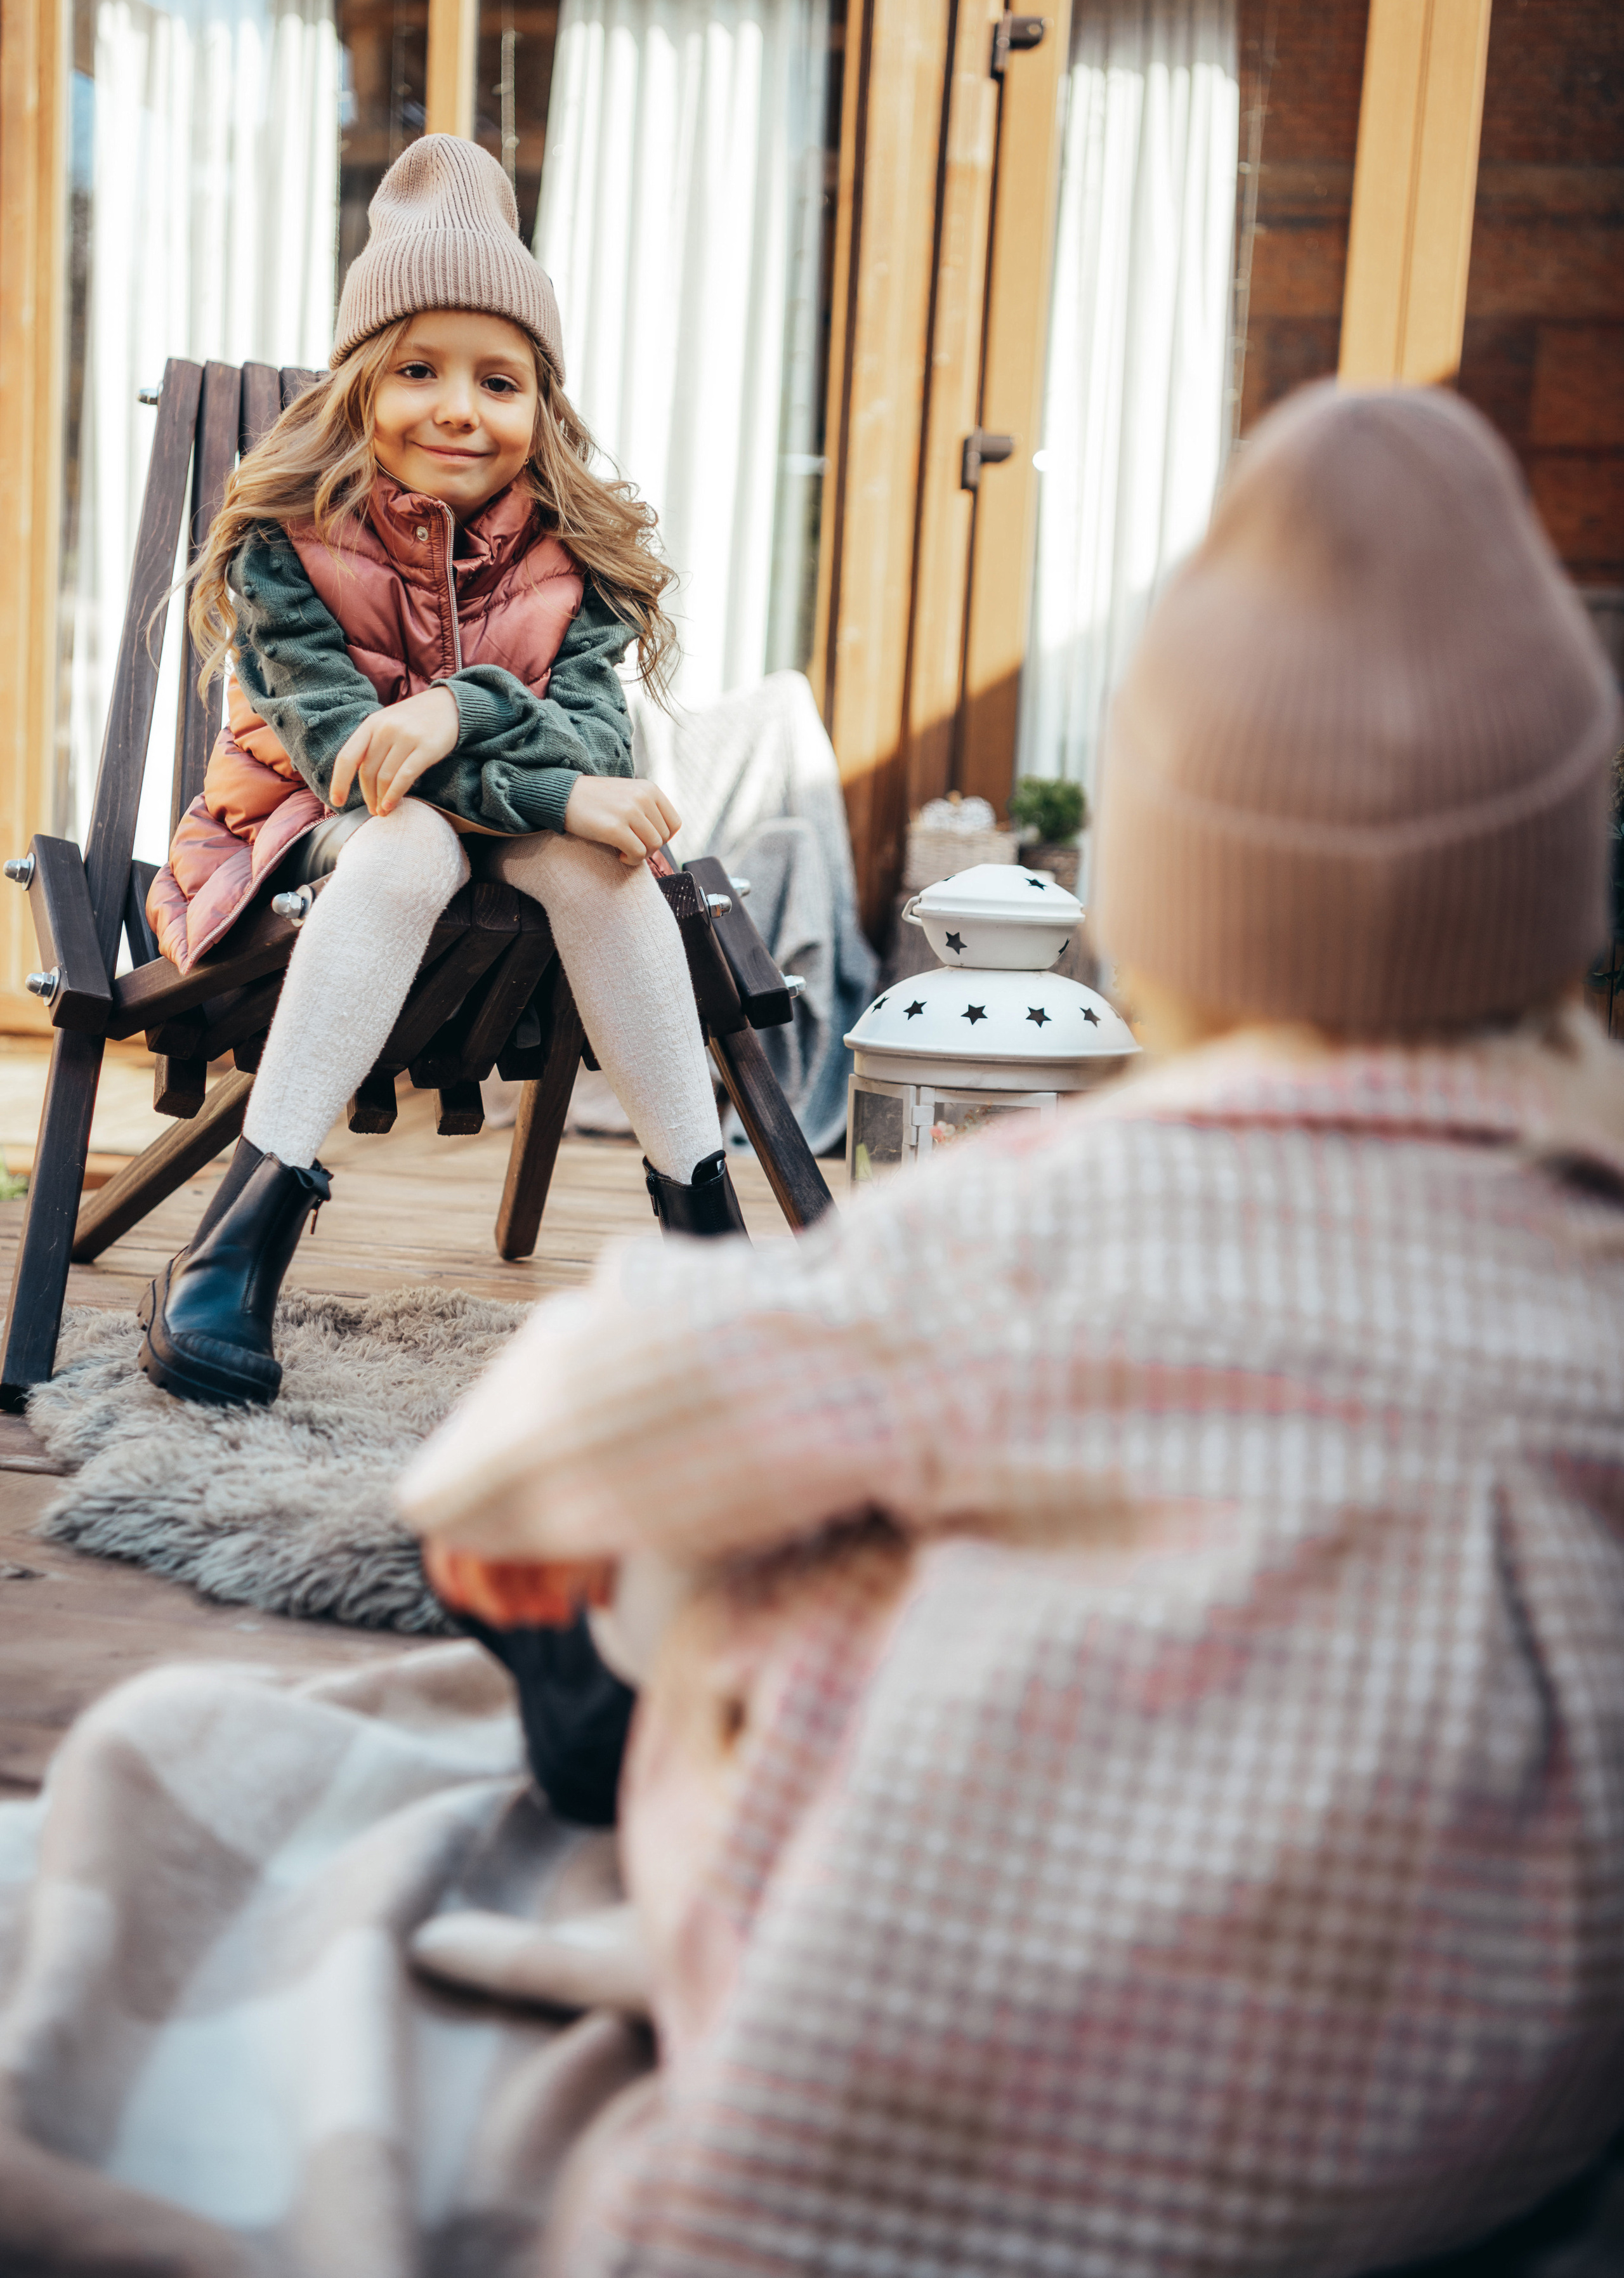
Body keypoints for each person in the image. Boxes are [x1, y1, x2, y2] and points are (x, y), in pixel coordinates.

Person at [398, 385, 1624, 2277]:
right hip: (1473, 2115)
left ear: (1168, 905)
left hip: (914, 2134)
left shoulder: (1054, 1228)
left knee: (775, 1519)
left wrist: (519, 1493)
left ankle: (624, 1749)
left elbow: (577, 1419)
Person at [140, 134, 744, 1413]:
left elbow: (593, 743)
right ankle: (233, 1245)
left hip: (503, 839)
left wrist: (462, 710)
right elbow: (339, 758)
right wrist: (495, 763)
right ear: (361, 384)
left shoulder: (572, 549)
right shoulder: (282, 540)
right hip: (299, 832)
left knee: (596, 848)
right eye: (418, 368)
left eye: (500, 379)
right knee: (412, 834)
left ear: (544, 407)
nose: (459, 406)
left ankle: (707, 1252)